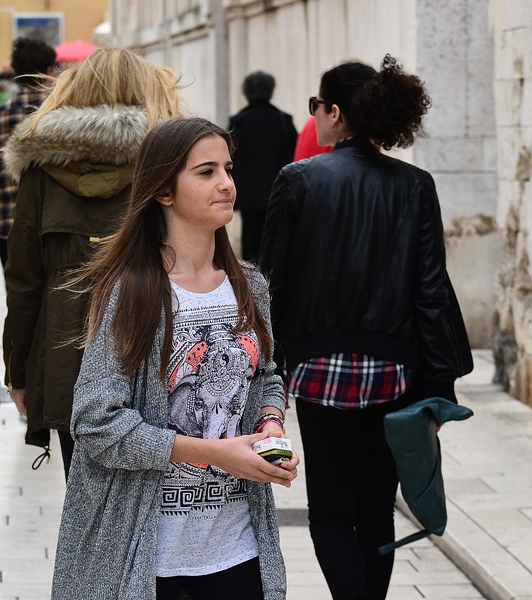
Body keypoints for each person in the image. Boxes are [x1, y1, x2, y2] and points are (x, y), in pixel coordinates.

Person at [49, 116, 299, 600]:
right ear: (164, 191)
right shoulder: (132, 292)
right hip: (146, 557)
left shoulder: (249, 285)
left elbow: (266, 374)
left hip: (238, 548)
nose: (226, 183)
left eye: (228, 169)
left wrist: (270, 423)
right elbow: (95, 422)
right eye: (206, 172)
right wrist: (215, 453)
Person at [258, 55, 473, 600]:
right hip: (395, 373)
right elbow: (430, 289)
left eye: (317, 105)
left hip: (317, 370)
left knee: (330, 511)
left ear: (334, 112)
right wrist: (439, 385)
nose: (315, 115)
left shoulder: (297, 180)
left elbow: (271, 286)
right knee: (377, 508)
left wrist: (266, 371)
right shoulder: (416, 185)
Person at [1, 48, 181, 480]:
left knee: (84, 494)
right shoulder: (169, 161)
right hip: (159, 343)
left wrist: (19, 373)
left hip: (67, 355)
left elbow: (23, 282)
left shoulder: (40, 169)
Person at [0, 37, 56, 270]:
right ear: (49, 71)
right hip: (57, 228)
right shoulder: (66, 113)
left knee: (17, 292)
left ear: (15, 72)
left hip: (10, 226)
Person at [227, 71, 296, 262]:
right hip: (278, 193)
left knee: (250, 245)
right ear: (271, 91)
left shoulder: (237, 121)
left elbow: (231, 157)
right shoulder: (283, 119)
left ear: (246, 92)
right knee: (276, 243)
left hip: (248, 196)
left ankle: (251, 278)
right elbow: (293, 156)